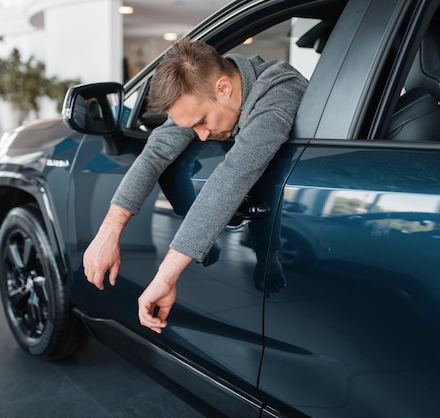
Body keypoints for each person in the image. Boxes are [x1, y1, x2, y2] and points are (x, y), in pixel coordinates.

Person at [83, 37, 307, 333]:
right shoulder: (205, 91)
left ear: (224, 88)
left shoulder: (280, 91)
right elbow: (156, 152)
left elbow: (232, 176)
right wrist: (108, 232)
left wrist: (165, 275)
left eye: (202, 121)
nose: (201, 136)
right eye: (193, 127)